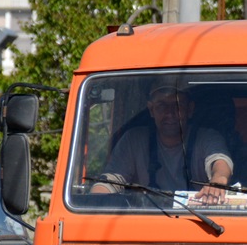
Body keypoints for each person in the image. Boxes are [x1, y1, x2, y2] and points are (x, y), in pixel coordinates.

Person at [97, 78, 234, 201]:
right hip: (146, 223)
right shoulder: (133, 140)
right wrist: (93, 200)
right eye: (161, 105)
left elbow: (220, 160)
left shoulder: (206, 138)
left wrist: (218, 180)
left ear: (190, 109)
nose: (170, 113)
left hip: (199, 222)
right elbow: (111, 180)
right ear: (151, 110)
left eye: (177, 105)